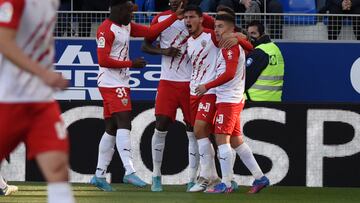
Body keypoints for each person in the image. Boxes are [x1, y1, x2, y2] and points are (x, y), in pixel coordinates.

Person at [89, 0, 184, 192]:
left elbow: (150, 33)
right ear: (119, 9)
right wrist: (131, 64)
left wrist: (174, 16)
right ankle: (129, 171)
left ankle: (99, 175)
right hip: (111, 82)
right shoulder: (106, 30)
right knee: (125, 121)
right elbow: (103, 60)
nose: (133, 15)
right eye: (130, 11)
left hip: (120, 81)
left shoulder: (126, 26)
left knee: (112, 127)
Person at [0, 0, 74, 202]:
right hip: (7, 101)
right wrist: (44, 74)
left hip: (41, 102)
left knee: (58, 168)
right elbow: (4, 42)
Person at [141, 0, 216, 192]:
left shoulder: (199, 18)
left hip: (192, 83)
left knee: (193, 131)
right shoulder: (162, 18)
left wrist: (236, 35)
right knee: (161, 124)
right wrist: (163, 51)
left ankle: (192, 178)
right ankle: (156, 176)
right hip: (168, 81)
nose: (172, 1)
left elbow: (221, 30)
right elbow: (145, 45)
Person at [182, 5, 254, 193]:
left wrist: (239, 36)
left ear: (200, 19)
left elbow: (241, 42)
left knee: (201, 131)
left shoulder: (212, 36)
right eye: (185, 17)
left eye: (191, 17)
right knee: (205, 134)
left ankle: (209, 178)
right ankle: (215, 177)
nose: (188, 21)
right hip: (194, 91)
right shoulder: (189, 41)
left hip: (211, 91)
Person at [196, 14, 269, 194]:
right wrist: (239, 38)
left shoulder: (230, 46)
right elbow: (249, 47)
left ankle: (226, 183)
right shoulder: (231, 43)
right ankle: (260, 177)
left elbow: (228, 74)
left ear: (230, 29)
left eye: (220, 26)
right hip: (230, 98)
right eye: (215, 26)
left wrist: (207, 86)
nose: (216, 30)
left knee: (222, 139)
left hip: (229, 99)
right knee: (236, 141)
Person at [245, 20, 285, 101]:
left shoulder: (258, 52)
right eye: (248, 34)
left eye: (253, 33)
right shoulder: (275, 48)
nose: (250, 37)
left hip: (255, 100)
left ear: (262, 34)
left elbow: (245, 79)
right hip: (274, 100)